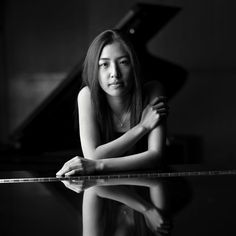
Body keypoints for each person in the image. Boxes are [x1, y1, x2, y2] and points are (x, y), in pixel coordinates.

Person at [56, 29, 170, 235]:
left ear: (134, 64)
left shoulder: (154, 90)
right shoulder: (87, 96)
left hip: (149, 186)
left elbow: (156, 157)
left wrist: (98, 165)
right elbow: (92, 155)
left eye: (123, 62)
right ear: (94, 69)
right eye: (104, 64)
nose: (114, 73)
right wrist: (142, 127)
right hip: (104, 192)